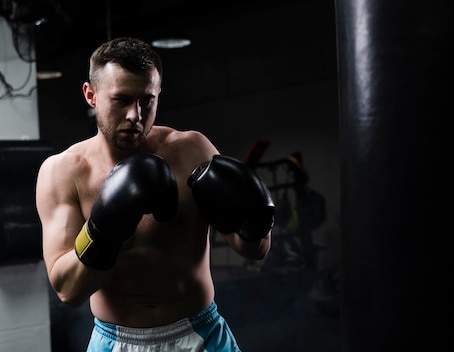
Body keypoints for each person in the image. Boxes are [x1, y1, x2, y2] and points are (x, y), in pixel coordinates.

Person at [35, 37, 275, 352]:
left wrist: (255, 221)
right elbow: (68, 291)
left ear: (158, 94)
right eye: (121, 100)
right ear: (90, 95)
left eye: (147, 100)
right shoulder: (63, 172)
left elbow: (254, 249)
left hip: (201, 333)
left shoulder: (191, 151)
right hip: (116, 341)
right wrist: (104, 228)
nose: (135, 115)